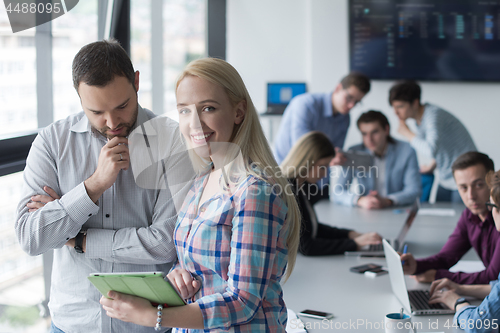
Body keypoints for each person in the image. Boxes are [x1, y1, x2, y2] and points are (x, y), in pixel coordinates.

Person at [98, 58, 301, 332]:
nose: (194, 123)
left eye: (208, 108)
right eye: (184, 111)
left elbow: (243, 301)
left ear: (238, 112)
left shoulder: (254, 192)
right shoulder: (202, 180)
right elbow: (196, 265)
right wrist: (178, 275)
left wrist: (151, 316)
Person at [15, 40, 193, 333]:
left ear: (136, 82)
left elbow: (165, 243)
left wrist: (80, 239)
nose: (112, 122)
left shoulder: (172, 140)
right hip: (71, 325)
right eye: (97, 111)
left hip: (147, 326)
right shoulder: (52, 142)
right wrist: (93, 186)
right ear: (79, 97)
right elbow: (31, 237)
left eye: (122, 106)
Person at [400, 152, 500, 285]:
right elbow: (446, 258)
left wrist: (438, 275)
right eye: (463, 187)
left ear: (491, 182)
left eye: (478, 185)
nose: (471, 195)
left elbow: (492, 277)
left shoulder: (498, 219)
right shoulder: (469, 216)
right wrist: (416, 266)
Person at [280, 131, 382, 255]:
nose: (324, 174)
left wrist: (350, 235)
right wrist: (354, 244)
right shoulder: (288, 190)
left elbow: (313, 228)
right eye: (322, 167)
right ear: (307, 161)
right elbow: (307, 246)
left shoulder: (302, 186)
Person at [426, 170, 500, 332]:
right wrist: (460, 288)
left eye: (492, 205)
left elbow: (478, 325)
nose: (471, 195)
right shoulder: (468, 216)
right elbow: (498, 288)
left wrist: (458, 303)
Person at [389, 80, 477, 202]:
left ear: (415, 103)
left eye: (400, 107)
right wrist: (432, 165)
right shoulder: (420, 120)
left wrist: (408, 133)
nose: (395, 112)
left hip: (464, 178)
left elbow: (430, 150)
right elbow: (440, 146)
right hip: (447, 177)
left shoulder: (433, 116)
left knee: (460, 218)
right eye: (394, 107)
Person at [274, 72, 371, 166]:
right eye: (349, 98)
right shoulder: (306, 104)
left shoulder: (345, 119)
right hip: (286, 172)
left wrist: (336, 156)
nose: (351, 106)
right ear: (338, 88)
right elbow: (302, 147)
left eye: (357, 102)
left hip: (317, 176)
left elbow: (333, 152)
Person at [333, 110, 420, 209]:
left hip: (395, 210)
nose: (369, 139)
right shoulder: (354, 152)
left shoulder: (406, 150)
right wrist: (359, 200)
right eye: (364, 134)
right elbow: (337, 192)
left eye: (374, 132)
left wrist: (388, 201)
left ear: (386, 130)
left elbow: (414, 190)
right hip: (367, 211)